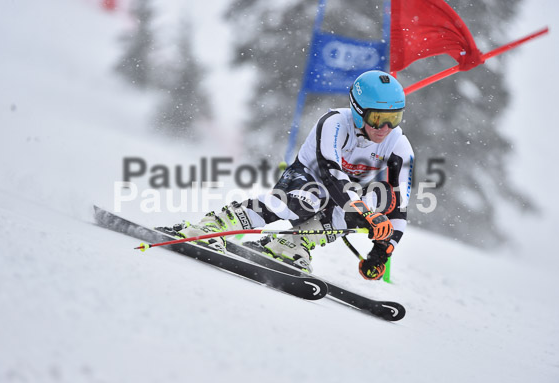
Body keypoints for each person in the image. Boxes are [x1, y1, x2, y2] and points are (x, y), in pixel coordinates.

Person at [173, 70, 414, 280]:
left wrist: (382, 251)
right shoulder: (335, 122)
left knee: (382, 199)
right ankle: (215, 225)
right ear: (359, 111)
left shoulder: (399, 144)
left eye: (394, 119)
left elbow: (399, 207)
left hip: (346, 195)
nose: (385, 129)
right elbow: (330, 174)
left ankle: (292, 243)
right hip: (306, 181)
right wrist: (362, 212)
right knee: (311, 198)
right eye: (378, 119)